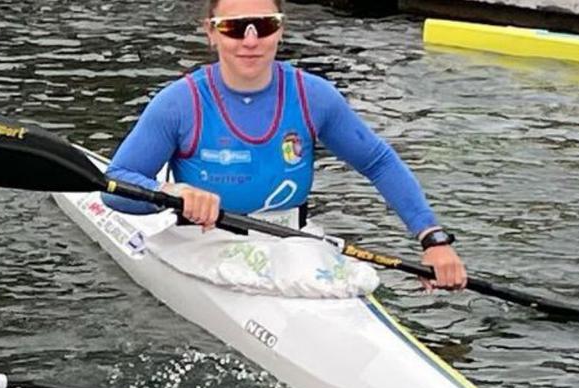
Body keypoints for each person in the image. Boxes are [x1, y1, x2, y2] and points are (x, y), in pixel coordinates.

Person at [102, 0, 467, 289]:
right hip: (202, 243)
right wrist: (173, 190)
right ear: (211, 33)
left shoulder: (314, 96)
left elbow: (378, 163)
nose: (249, 41)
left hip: (292, 241)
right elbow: (116, 186)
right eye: (233, 28)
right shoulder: (179, 103)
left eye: (263, 26)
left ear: (280, 30)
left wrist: (433, 240)